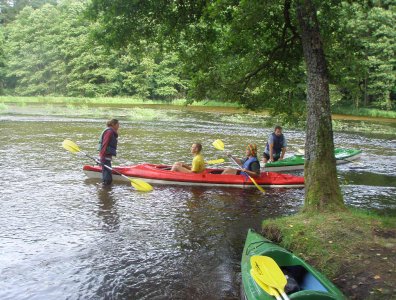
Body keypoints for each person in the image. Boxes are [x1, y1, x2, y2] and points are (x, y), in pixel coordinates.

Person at [98, 119, 120, 185]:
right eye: (118, 124)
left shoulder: (111, 131)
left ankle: (105, 190)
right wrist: (101, 157)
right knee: (108, 179)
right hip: (105, 157)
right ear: (113, 124)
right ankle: (105, 191)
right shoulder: (109, 132)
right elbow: (104, 144)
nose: (119, 126)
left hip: (107, 157)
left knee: (108, 179)